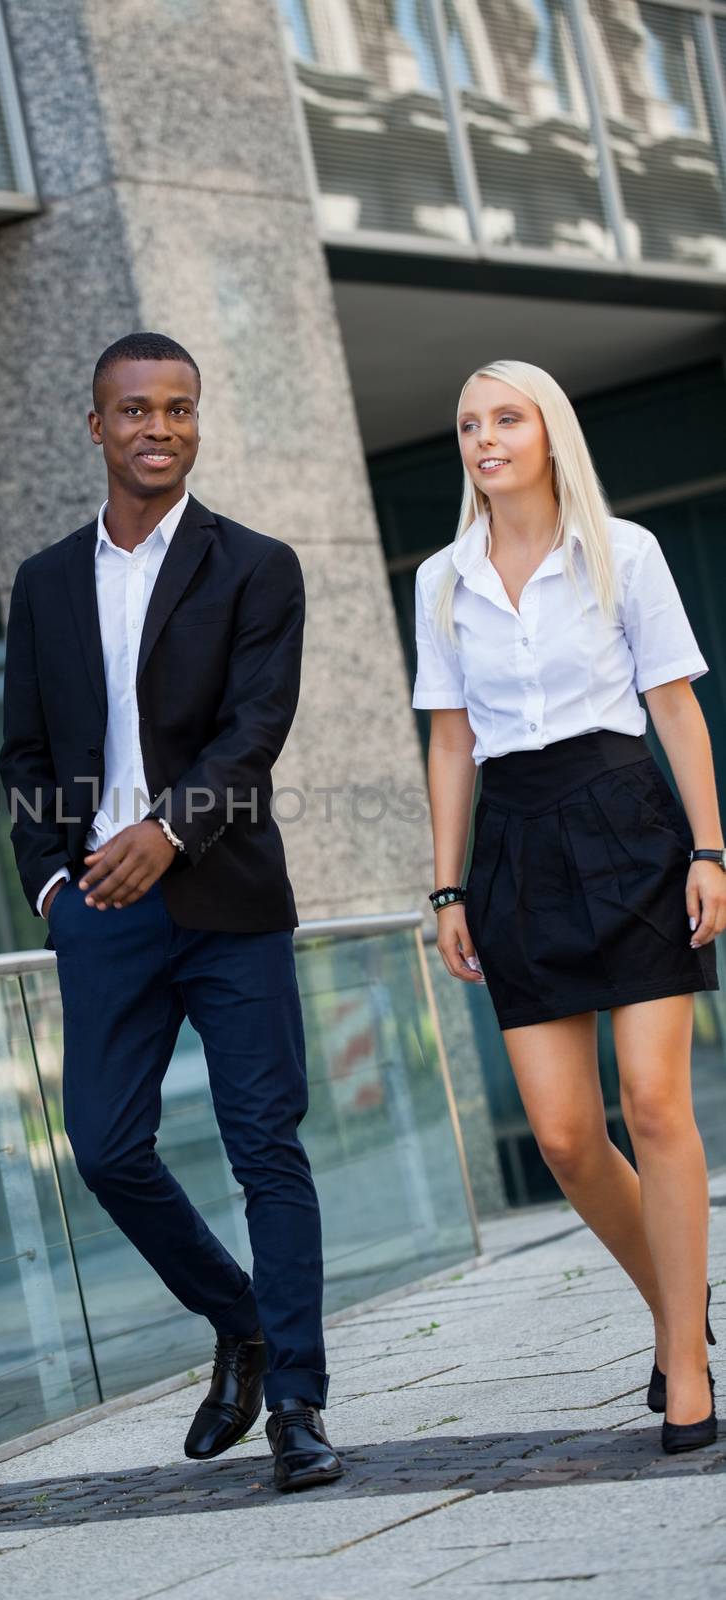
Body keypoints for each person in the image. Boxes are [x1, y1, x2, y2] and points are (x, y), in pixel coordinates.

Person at [0, 331, 343, 1492]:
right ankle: (238, 1317)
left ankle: (295, 1402)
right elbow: (27, 748)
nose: (160, 428)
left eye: (180, 409)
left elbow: (254, 731)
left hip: (229, 896)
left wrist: (170, 832)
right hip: (98, 905)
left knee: (265, 1150)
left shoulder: (255, 565)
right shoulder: (46, 582)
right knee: (103, 1148)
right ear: (94, 426)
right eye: (136, 410)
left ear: (198, 421)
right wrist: (54, 882)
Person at [412, 359, 723, 1455]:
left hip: (629, 825)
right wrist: (445, 883)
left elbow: (673, 709)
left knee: (650, 1102)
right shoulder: (440, 579)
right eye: (466, 426)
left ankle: (683, 1367)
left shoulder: (620, 554)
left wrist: (709, 849)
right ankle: (675, 1309)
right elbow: (449, 743)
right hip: (514, 842)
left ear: (549, 433)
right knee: (561, 1134)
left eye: (505, 418)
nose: (483, 438)